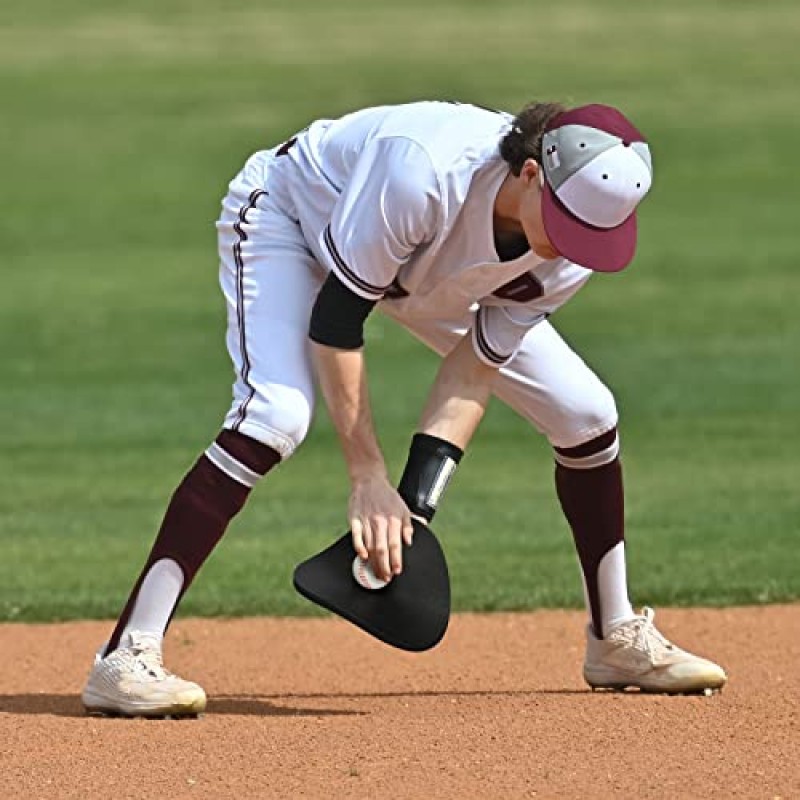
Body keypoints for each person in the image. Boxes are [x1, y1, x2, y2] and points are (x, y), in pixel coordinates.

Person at [81, 99, 726, 717]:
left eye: (590, 236)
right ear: (531, 174)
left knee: (587, 415)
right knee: (275, 414)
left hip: (423, 271)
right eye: (566, 225)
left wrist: (410, 512)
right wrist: (368, 480)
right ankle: (125, 655)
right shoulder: (423, 171)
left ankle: (614, 638)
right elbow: (337, 320)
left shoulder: (570, 249)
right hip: (293, 224)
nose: (570, 246)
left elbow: (474, 368)